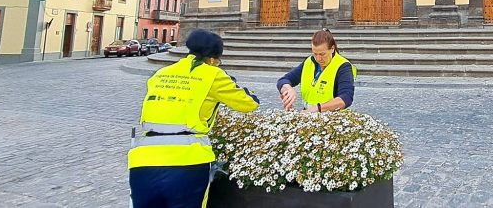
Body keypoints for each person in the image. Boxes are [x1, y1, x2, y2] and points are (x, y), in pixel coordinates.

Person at [128, 29, 259, 208]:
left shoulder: (160, 73)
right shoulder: (213, 74)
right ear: (213, 59)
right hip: (188, 162)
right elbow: (249, 104)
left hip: (142, 161)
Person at [278, 29, 357, 113]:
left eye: (322, 54)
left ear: (332, 49)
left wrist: (317, 109)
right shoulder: (309, 62)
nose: (318, 59)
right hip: (309, 117)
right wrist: (287, 89)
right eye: (315, 54)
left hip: (332, 119)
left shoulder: (343, 66)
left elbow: (346, 98)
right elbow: (283, 80)